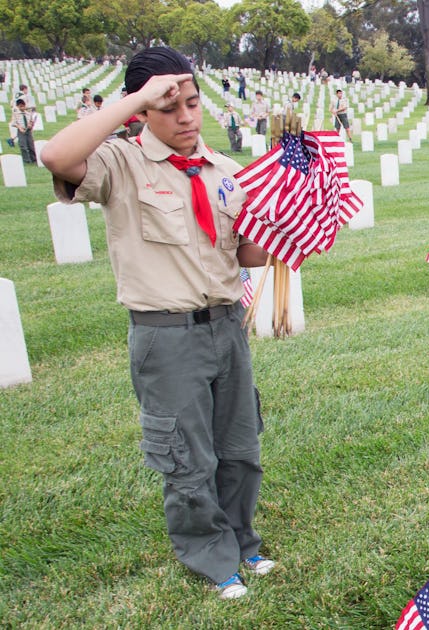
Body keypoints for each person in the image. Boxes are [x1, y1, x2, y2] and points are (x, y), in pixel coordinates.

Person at [40, 46, 274, 601]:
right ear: (141, 110)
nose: (187, 117)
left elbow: (246, 253)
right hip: (166, 336)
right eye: (170, 108)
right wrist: (137, 100)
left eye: (193, 104)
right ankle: (211, 556)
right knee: (186, 455)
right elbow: (55, 156)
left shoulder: (225, 171)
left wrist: (289, 232)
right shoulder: (120, 164)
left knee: (239, 445)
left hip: (226, 325)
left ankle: (242, 541)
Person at [10, 99, 38, 164]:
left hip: (28, 131)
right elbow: (13, 123)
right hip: (21, 131)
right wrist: (20, 128)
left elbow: (31, 121)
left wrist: (31, 125)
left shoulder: (28, 113)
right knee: (23, 146)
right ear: (18, 106)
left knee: (31, 145)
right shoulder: (16, 114)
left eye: (23, 106)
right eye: (20, 106)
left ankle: (34, 160)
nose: (22, 108)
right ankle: (27, 160)